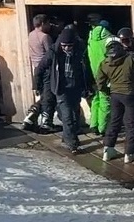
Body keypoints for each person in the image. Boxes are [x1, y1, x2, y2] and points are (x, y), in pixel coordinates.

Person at [33, 26, 95, 154]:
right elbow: (40, 68)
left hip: (76, 88)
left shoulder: (80, 52)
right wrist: (36, 86)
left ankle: (67, 137)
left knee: (75, 114)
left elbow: (86, 71)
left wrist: (88, 86)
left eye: (69, 46)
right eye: (64, 45)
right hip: (61, 89)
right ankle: (73, 144)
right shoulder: (54, 52)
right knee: (68, 117)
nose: (67, 48)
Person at [96, 39, 134, 163]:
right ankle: (130, 153)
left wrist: (107, 91)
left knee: (114, 121)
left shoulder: (104, 63)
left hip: (115, 94)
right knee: (131, 124)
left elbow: (100, 82)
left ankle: (108, 149)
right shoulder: (130, 59)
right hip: (130, 93)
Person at [25, 15, 58, 132]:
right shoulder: (45, 37)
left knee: (43, 95)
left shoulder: (31, 34)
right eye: (48, 23)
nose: (50, 26)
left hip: (36, 67)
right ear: (43, 23)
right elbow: (51, 54)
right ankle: (46, 123)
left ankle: (32, 114)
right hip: (46, 69)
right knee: (48, 96)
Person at [85, 15, 115, 135]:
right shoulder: (109, 40)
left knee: (95, 99)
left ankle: (93, 125)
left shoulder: (90, 38)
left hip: (93, 73)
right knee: (105, 101)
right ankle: (102, 128)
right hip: (106, 74)